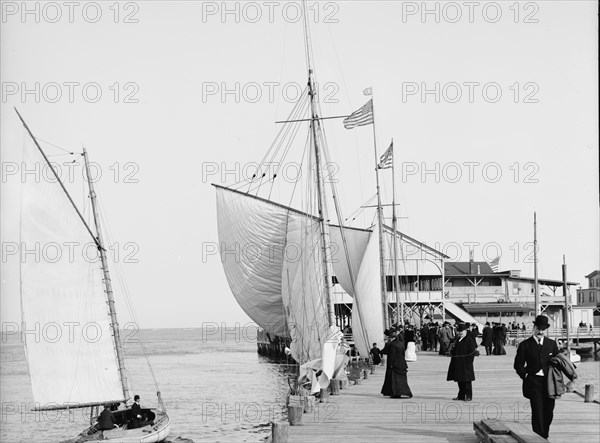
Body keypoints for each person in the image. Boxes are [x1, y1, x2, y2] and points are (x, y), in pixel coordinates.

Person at [514, 315, 560, 439]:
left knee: (549, 411)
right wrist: (526, 376)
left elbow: (559, 361)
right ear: (534, 328)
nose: (540, 331)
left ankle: (545, 434)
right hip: (533, 382)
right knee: (537, 411)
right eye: (538, 328)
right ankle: (539, 438)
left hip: (549, 382)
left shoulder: (552, 344)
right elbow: (518, 364)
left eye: (543, 329)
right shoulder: (525, 345)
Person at [447, 323, 477, 401]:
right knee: (460, 381)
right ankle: (461, 395)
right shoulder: (458, 339)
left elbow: (471, 353)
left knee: (467, 381)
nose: (460, 333)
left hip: (465, 364)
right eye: (459, 331)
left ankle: (468, 396)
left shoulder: (469, 340)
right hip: (457, 364)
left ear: (465, 331)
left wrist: (468, 362)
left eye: (462, 331)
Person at [381, 327, 413, 398]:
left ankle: (395, 393)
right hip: (402, 364)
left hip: (394, 365)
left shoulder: (392, 345)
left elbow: (391, 356)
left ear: (389, 337)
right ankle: (406, 392)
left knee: (394, 380)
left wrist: (390, 365)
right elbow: (403, 354)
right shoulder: (401, 344)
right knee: (402, 381)